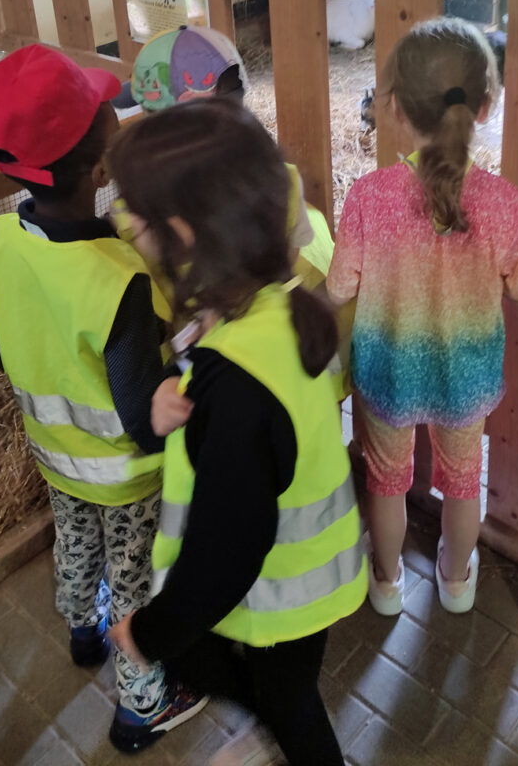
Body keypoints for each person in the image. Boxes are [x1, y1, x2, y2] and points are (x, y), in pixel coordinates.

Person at [108, 100, 367, 766]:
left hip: (277, 591)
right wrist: (173, 382)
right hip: (301, 579)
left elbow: (224, 556)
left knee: (278, 695)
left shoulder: (238, 389)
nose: (124, 223)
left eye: (134, 213)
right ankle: (275, 730)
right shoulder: (267, 295)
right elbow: (205, 351)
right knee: (285, 690)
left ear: (184, 235)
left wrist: (148, 631)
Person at [0, 45, 206, 753]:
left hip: (54, 455)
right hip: (123, 474)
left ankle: (80, 629)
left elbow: (3, 346)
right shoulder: (117, 280)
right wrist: (188, 371)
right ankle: (141, 706)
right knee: (134, 581)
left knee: (74, 539)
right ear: (102, 170)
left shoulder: (3, 239)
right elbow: (141, 417)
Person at [327, 18, 518, 616]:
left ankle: (386, 581)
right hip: (466, 378)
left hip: (386, 374)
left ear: (395, 108)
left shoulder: (368, 197)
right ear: (485, 106)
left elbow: (339, 284)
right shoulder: (505, 204)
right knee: (461, 481)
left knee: (386, 479)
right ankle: (456, 583)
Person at [115, 24, 352, 398]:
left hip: (231, 373)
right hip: (312, 353)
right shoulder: (280, 176)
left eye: (148, 114)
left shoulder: (147, 212)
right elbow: (287, 261)